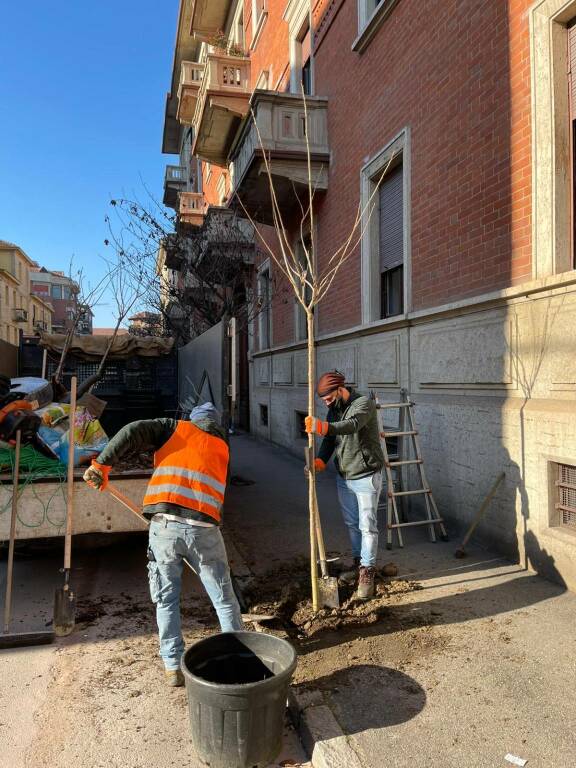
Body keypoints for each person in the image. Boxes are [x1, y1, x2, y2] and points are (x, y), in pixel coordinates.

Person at [83, 402, 243, 687]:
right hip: (204, 531)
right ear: (216, 424)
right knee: (224, 600)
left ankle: (173, 667)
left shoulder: (175, 428)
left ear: (191, 420)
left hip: (165, 528)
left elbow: (133, 430)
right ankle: (236, 661)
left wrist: (101, 465)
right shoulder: (223, 448)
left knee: (166, 599)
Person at [305, 371, 384, 599]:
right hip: (345, 476)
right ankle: (359, 563)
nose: (327, 403)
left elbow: (351, 425)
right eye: (324, 401)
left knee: (367, 526)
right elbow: (330, 439)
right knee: (352, 523)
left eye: (329, 399)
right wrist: (320, 460)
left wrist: (322, 427)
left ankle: (367, 574)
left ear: (340, 389)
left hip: (366, 474)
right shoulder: (334, 410)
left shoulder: (363, 404)